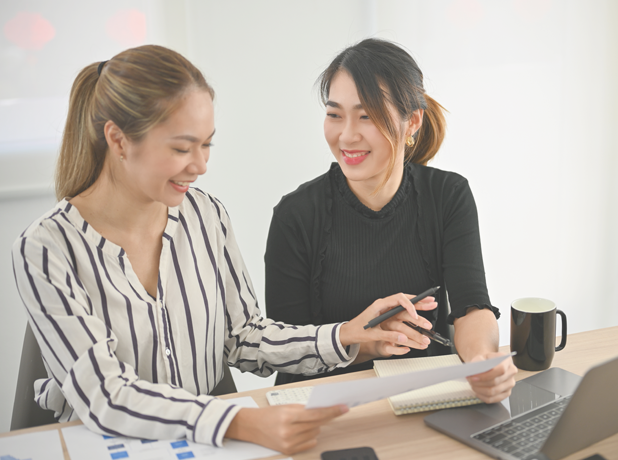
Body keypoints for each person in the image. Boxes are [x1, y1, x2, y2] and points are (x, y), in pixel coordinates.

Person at [12, 45, 432, 455]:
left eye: (206, 144)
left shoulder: (205, 214)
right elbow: (104, 394)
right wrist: (239, 422)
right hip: (104, 445)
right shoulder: (46, 249)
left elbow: (243, 337)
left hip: (206, 445)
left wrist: (347, 337)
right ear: (118, 140)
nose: (200, 165)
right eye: (181, 148)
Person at [265, 38, 517, 403]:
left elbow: (471, 307)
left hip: (429, 397)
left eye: (366, 115)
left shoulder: (448, 195)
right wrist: (365, 342)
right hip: (331, 408)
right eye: (335, 114)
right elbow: (287, 351)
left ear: (411, 121)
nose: (346, 135)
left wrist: (479, 360)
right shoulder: (296, 215)